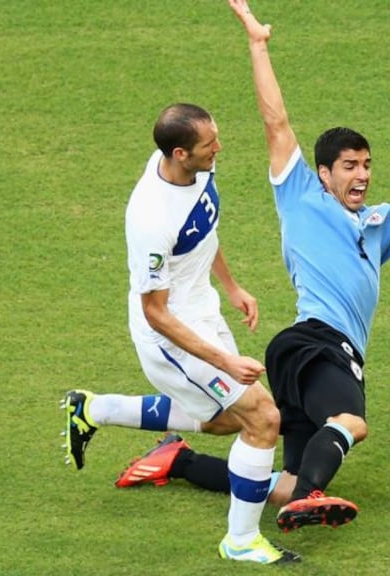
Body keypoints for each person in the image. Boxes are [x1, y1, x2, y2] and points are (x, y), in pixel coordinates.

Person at [114, 0, 390, 535]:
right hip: (319, 342)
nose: (361, 174)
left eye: (366, 164)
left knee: (283, 484)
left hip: (297, 352)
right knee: (351, 423)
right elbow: (276, 121)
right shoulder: (302, 198)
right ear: (323, 174)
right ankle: (312, 494)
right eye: (349, 166)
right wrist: (258, 44)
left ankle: (178, 461)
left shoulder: (381, 222)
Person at [63, 102, 303, 564]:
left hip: (204, 312)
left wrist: (231, 286)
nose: (219, 148)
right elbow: (155, 312)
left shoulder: (194, 171)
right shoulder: (150, 218)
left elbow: (202, 230)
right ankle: (241, 541)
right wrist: (226, 361)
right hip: (171, 337)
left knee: (225, 421)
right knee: (263, 419)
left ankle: (96, 408)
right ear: (179, 153)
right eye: (209, 145)